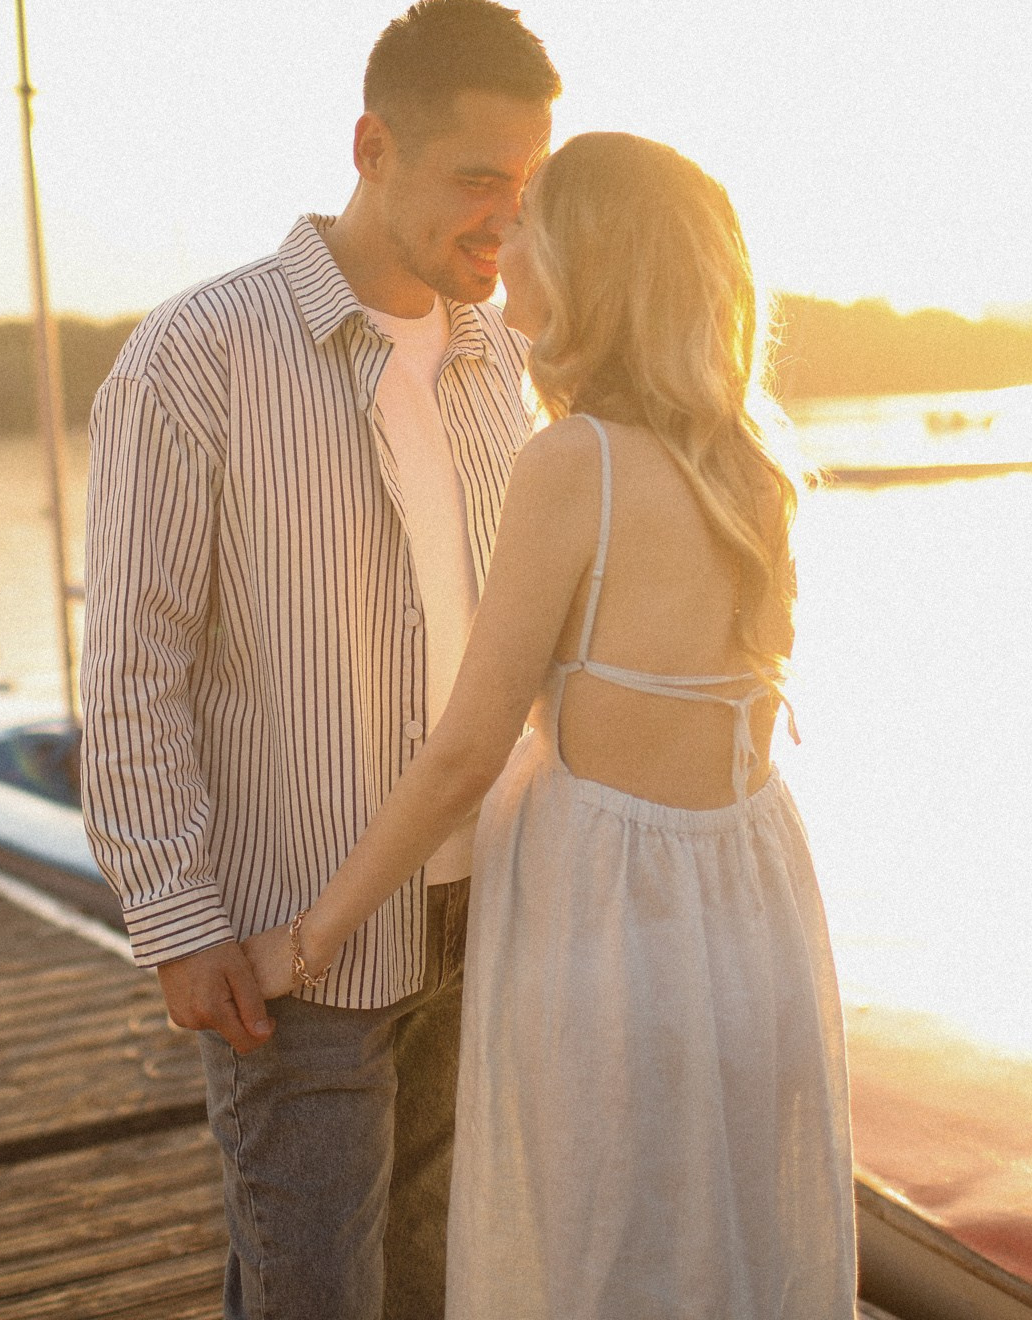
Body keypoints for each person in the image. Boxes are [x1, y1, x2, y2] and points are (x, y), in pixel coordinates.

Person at [247, 132, 858, 1317]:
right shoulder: (758, 467)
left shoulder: (573, 463)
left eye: (529, 223)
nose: (503, 243)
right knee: (725, 1241)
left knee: (601, 1248)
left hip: (612, 919)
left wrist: (311, 937)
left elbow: (467, 752)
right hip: (750, 900)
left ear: (585, 263)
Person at [79, 0, 559, 1320]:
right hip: (300, 942)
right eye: (477, 179)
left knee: (435, 1286)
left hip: (488, 921)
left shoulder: (506, 367)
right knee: (316, 1298)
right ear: (371, 146)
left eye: (525, 186)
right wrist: (177, 921)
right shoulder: (195, 358)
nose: (505, 221)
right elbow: (131, 669)